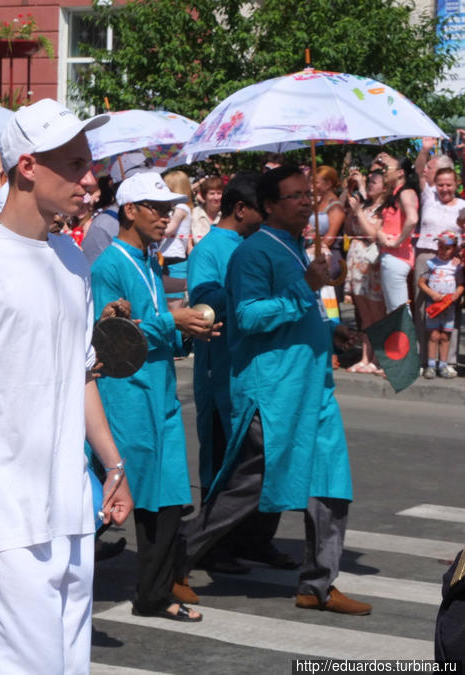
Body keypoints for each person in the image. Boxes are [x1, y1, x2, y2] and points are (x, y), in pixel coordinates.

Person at [0, 99, 133, 674]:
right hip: (7, 520)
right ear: (29, 167)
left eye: (90, 164)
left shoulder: (71, 258)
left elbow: (79, 371)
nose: (91, 179)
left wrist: (112, 465)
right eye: (76, 163)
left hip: (71, 512)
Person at [180, 165, 372, 616]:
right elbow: (247, 317)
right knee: (249, 487)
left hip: (313, 388)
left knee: (330, 485)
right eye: (295, 196)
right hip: (273, 392)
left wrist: (330, 331)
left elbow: (298, 311)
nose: (307, 202)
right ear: (268, 206)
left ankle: (318, 584)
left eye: (308, 194)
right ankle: (174, 557)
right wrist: (306, 287)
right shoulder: (253, 253)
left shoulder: (296, 249)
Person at [92, 171, 212, 622]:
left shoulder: (147, 261)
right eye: (156, 209)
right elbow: (109, 338)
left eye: (167, 209)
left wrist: (191, 332)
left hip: (158, 392)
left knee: (165, 498)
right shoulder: (110, 265)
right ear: (130, 211)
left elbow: (157, 326)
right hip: (125, 396)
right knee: (120, 496)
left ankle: (155, 594)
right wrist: (173, 324)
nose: (166, 218)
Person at [187, 172, 297, 574]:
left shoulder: (259, 245)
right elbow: (202, 305)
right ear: (241, 209)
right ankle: (212, 547)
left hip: (263, 375)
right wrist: (248, 293)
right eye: (263, 210)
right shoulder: (211, 249)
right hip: (223, 375)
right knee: (223, 461)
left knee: (266, 462)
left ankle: (256, 539)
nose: (268, 217)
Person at [412, 144, 465, 369]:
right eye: (441, 184)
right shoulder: (429, 196)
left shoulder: (463, 205)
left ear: (456, 185)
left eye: (449, 185)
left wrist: (460, 257)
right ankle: (424, 358)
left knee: (450, 307)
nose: (444, 189)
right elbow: (419, 169)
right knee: (423, 307)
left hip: (452, 262)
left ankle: (448, 361)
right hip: (426, 255)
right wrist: (424, 149)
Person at [345, 169, 387, 374]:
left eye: (374, 182)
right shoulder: (364, 205)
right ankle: (365, 357)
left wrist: (359, 212)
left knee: (377, 314)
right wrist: (352, 200)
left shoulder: (385, 208)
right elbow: (349, 229)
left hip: (372, 262)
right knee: (365, 316)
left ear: (385, 187)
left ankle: (378, 358)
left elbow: (373, 234)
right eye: (368, 181)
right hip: (356, 260)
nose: (369, 185)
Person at [373, 153, 419, 312]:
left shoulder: (406, 192)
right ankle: (401, 336)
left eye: (388, 168)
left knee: (398, 311)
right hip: (391, 256)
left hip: (397, 257)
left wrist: (397, 241)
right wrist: (380, 234)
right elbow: (382, 225)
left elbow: (412, 219)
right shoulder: (394, 194)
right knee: (394, 310)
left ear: (401, 172)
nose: (384, 171)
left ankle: (404, 337)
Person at [417, 231, 464, 379]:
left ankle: (443, 365)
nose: (443, 251)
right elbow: (421, 282)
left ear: (455, 248)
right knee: (433, 335)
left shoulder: (456, 266)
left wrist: (457, 293)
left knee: (445, 336)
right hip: (434, 306)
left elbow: (461, 283)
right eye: (441, 247)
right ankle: (431, 365)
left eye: (448, 248)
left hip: (449, 307)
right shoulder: (432, 263)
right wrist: (431, 294)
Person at [160, 170, 194, 312]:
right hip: (169, 259)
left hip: (174, 261)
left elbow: (169, 230)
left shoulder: (181, 207)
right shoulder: (184, 208)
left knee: (174, 309)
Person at [305, 166, 345, 278]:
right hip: (310, 252)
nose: (311, 186)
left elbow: (329, 239)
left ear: (328, 184)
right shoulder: (316, 203)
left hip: (328, 256)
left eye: (315, 183)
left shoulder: (336, 208)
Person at [190, 176, 223, 244]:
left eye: (219, 193)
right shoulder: (194, 213)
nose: (216, 197)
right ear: (204, 195)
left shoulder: (227, 215)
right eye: (212, 193)